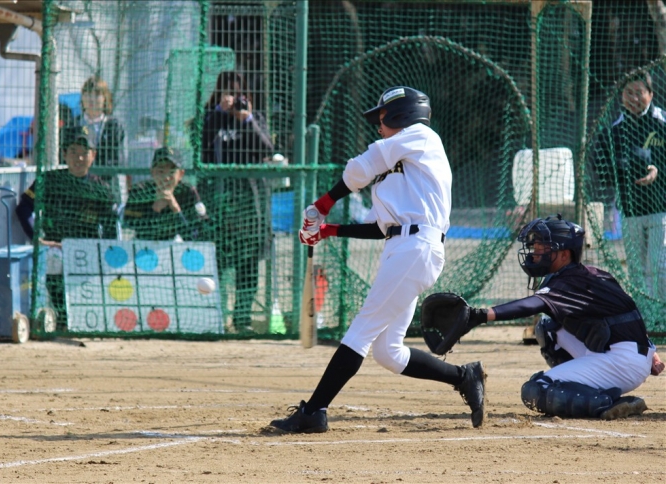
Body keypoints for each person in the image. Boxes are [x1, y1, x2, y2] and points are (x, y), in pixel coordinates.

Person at [268, 86, 486, 434]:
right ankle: (465, 376)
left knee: (362, 330)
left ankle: (314, 410)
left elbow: (359, 168)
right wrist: (327, 230)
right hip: (402, 248)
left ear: (402, 115)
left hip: (416, 248)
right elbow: (379, 227)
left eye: (383, 118)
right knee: (388, 352)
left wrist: (323, 204)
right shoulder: (401, 165)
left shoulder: (420, 137)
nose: (379, 126)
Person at [452, 214, 663, 420]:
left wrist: (481, 315)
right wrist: (650, 352)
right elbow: (629, 313)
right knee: (548, 328)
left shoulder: (569, 282)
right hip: (628, 356)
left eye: (543, 246)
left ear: (564, 254)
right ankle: (585, 385)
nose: (535, 251)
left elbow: (530, 305)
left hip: (622, 362)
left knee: (536, 389)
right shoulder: (593, 274)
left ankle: (608, 402)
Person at [16, 126, 118, 328]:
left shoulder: (102, 188)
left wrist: (103, 252)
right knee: (54, 272)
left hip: (87, 251)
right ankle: (60, 319)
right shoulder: (49, 180)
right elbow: (23, 208)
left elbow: (110, 227)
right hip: (55, 248)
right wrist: (37, 238)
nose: (78, 158)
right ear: (64, 154)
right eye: (73, 152)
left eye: (84, 153)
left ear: (93, 155)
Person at [199, 71, 274, 332]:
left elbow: (266, 149)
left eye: (238, 92)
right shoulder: (210, 118)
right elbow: (202, 148)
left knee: (248, 262)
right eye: (228, 91)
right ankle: (215, 319)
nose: (234, 97)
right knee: (219, 259)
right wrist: (220, 112)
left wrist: (247, 120)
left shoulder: (255, 119)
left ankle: (242, 320)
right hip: (220, 200)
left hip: (250, 202)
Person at [597, 71, 665, 300]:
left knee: (659, 265)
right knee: (637, 269)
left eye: (639, 92)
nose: (634, 98)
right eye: (628, 93)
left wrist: (657, 171)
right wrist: (622, 171)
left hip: (661, 211)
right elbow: (602, 168)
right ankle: (642, 312)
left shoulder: (662, 123)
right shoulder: (614, 131)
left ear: (650, 94)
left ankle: (661, 313)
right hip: (630, 210)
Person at [123, 147, 208, 241]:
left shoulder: (188, 192)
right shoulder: (140, 191)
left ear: (180, 174)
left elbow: (196, 233)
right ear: (152, 172)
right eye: (161, 171)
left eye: (171, 172)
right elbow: (130, 226)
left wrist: (176, 208)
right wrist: (155, 209)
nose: (166, 178)